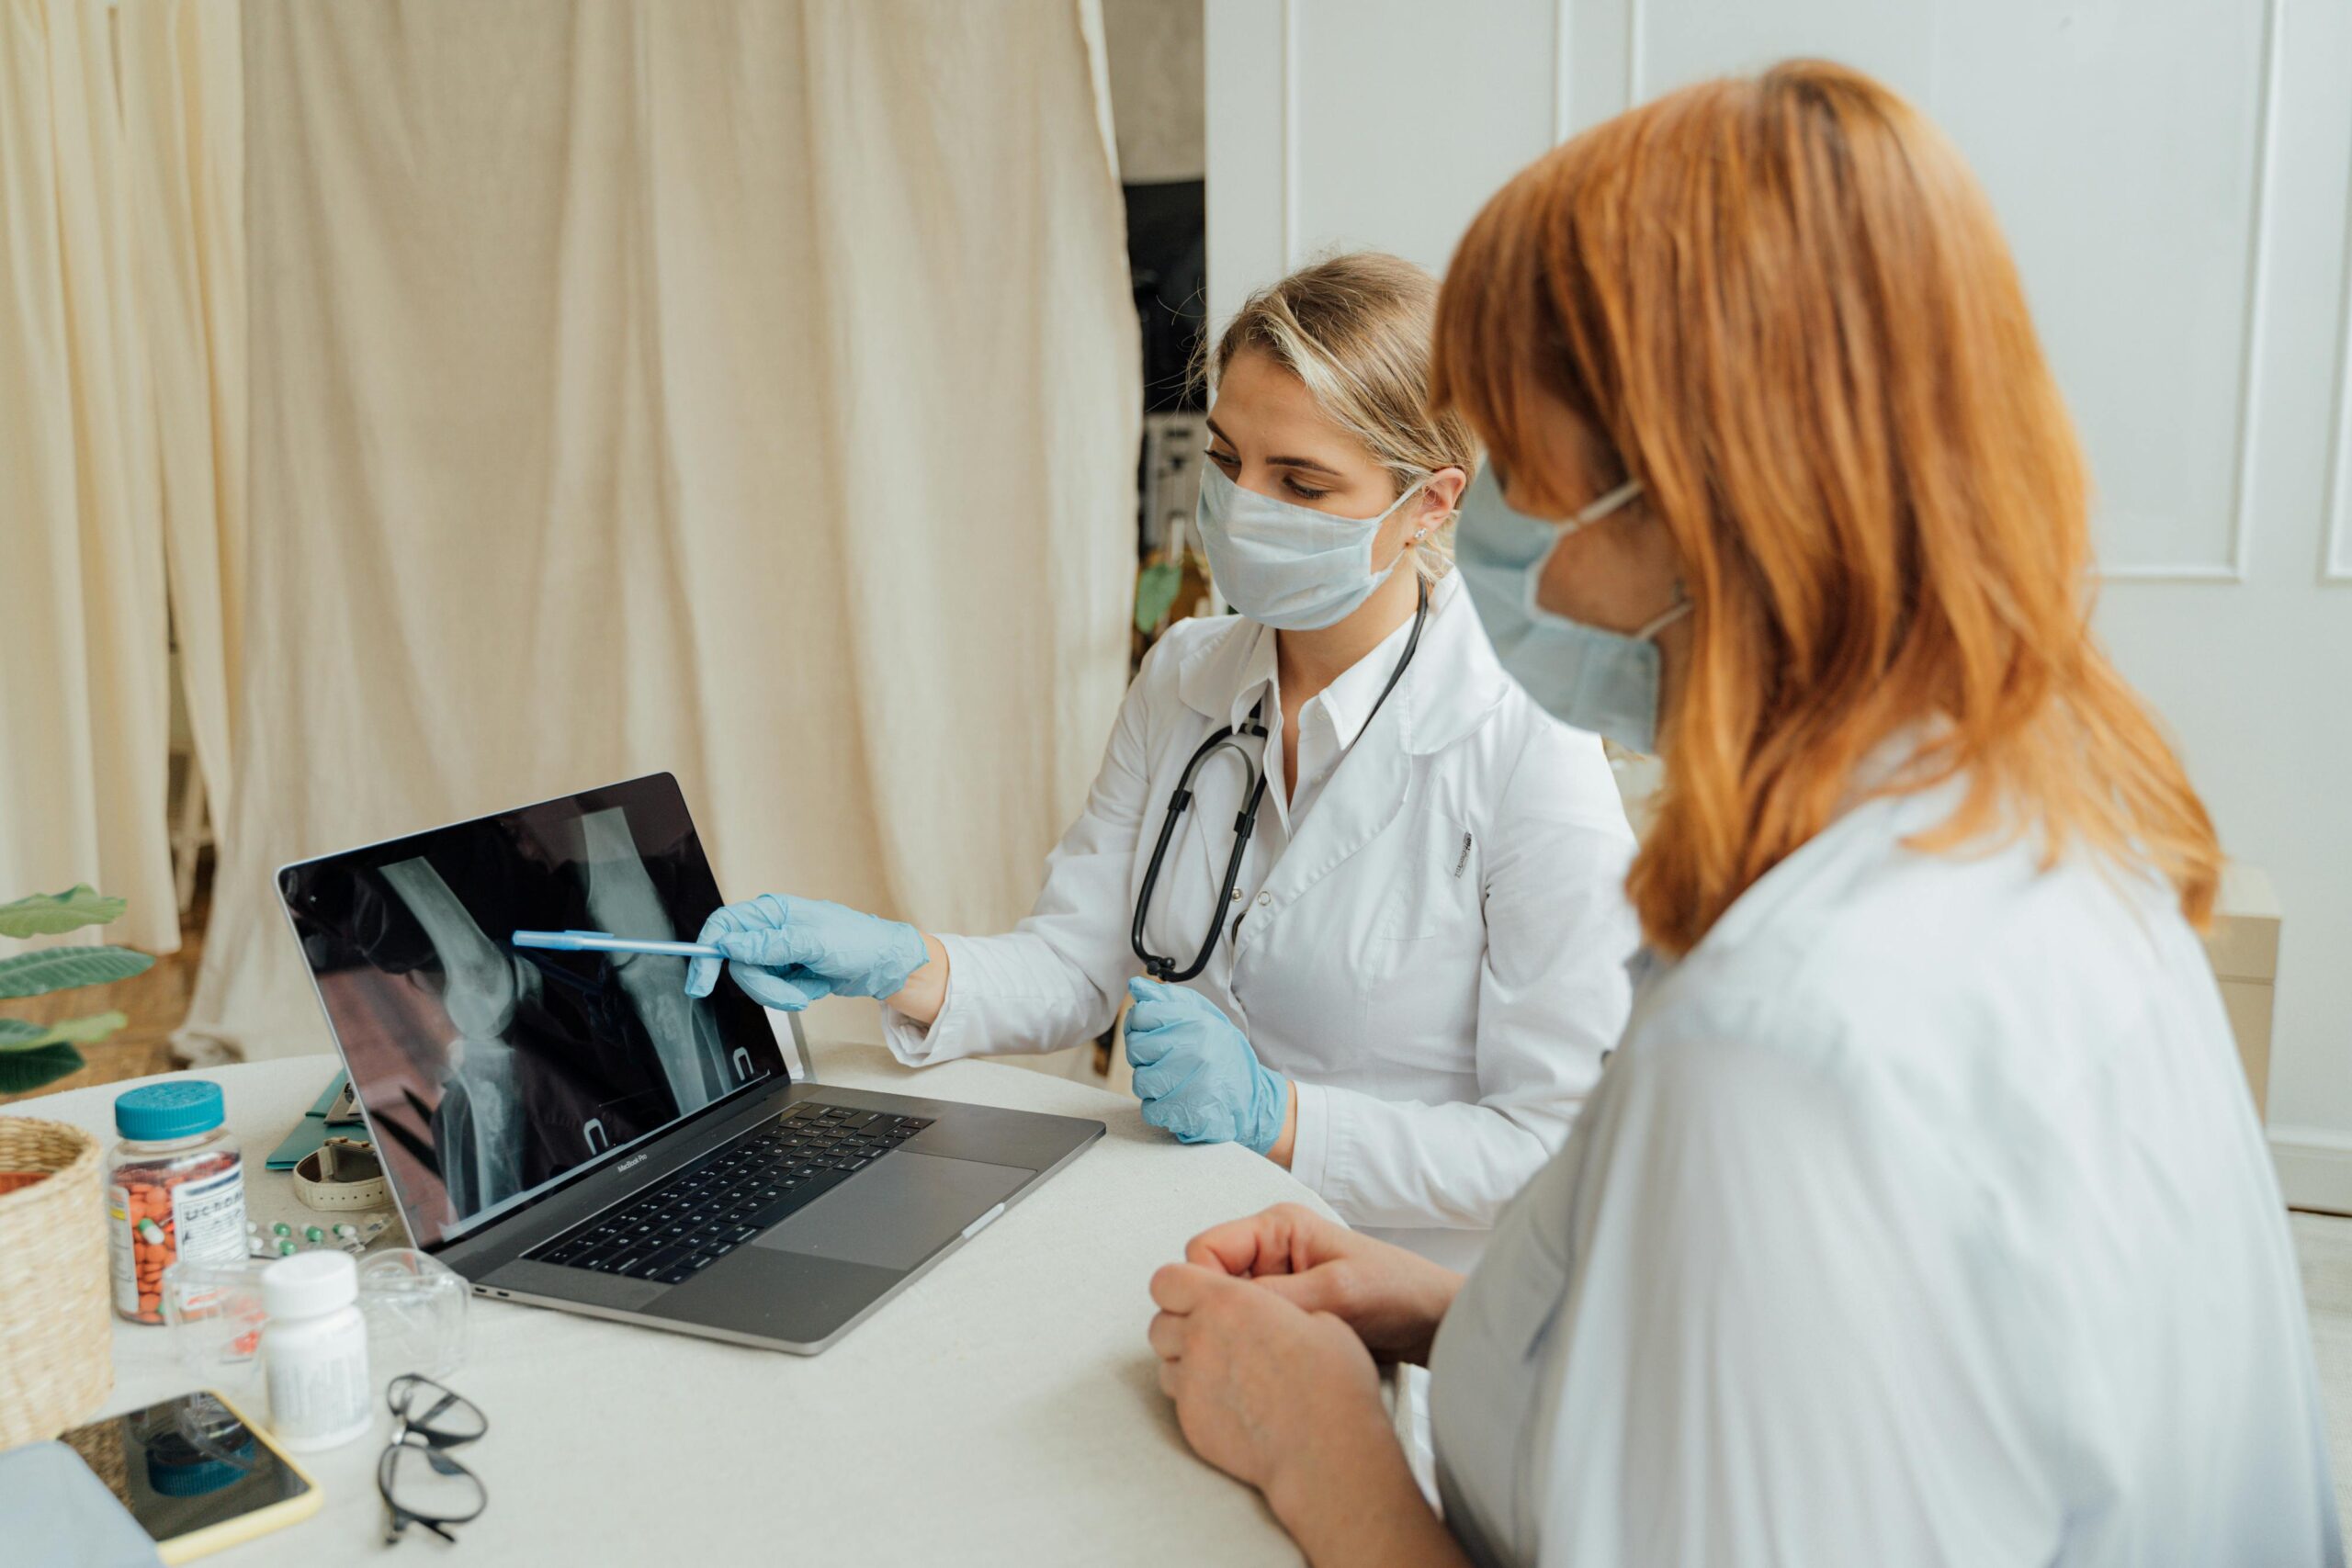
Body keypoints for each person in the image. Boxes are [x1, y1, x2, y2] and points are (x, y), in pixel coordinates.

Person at [1144, 62, 2343, 1567]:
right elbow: (1832, 1389)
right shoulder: (2030, 830)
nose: (1487, 525)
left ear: (1706, 506)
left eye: (1522, 468)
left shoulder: (1786, 1046)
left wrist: (1324, 1445)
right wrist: (1450, 1308)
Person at [686, 254, 1639, 1264]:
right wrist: (895, 961)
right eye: (1227, 461)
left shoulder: (1523, 739)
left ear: (1431, 503)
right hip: (1185, 1243)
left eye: (1301, 482)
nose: (1246, 504)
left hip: (1400, 1289)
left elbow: (1555, 1148)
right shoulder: (1185, 673)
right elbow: (1074, 966)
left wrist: (1278, 1118)